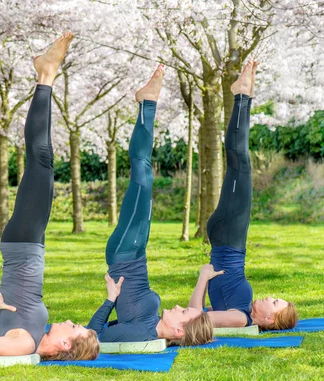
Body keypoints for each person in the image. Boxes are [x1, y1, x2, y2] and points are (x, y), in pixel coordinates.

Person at [0, 32, 99, 360]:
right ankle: (45, 74)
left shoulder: (24, 344)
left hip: (22, 245)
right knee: (43, 159)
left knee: (41, 157)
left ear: (66, 345)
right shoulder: (31, 339)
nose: (69, 321)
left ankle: (46, 74)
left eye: (74, 327)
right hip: (29, 244)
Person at [87, 64, 215, 346]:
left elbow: (93, 336)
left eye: (183, 312)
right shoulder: (149, 324)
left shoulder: (143, 333)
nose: (180, 306)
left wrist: (110, 299)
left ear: (178, 332)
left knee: (143, 177)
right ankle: (148, 102)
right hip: (135, 252)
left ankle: (149, 103)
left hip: (124, 253)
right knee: (144, 176)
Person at [187, 61, 298, 331]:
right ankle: (244, 96)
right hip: (230, 238)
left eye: (274, 302)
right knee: (240, 163)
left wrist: (203, 278)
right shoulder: (242, 310)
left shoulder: (239, 317)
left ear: (270, 319)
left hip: (228, 238)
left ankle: (242, 96)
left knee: (240, 163)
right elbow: (203, 311)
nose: (270, 296)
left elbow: (193, 319)